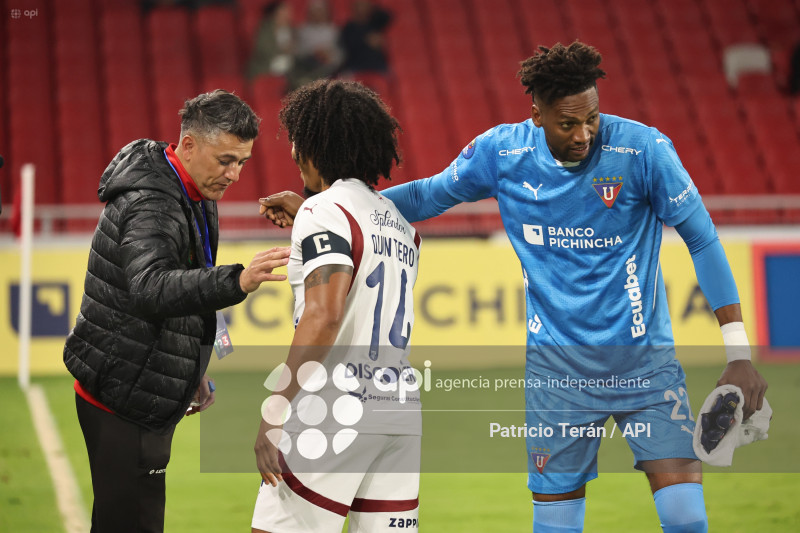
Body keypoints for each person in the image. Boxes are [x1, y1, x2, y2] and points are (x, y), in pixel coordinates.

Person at [260, 42, 769, 532]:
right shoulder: (502, 152)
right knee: (555, 526)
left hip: (646, 365)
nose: (584, 134)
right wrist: (331, 204)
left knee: (687, 518)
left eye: (591, 118)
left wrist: (738, 352)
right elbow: (427, 195)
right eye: (567, 123)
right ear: (537, 113)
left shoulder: (643, 150)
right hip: (557, 376)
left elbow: (702, 239)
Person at [63, 89, 291, 533]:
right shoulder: (153, 202)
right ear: (187, 145)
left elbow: (180, 284)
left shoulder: (188, 189)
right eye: (225, 160)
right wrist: (238, 280)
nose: (235, 174)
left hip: (140, 379)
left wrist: (190, 366)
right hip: (124, 392)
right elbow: (149, 287)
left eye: (242, 162)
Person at [252, 79, 421, 533]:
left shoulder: (324, 211)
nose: (290, 150)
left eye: (295, 139)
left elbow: (324, 316)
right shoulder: (402, 225)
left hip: (333, 407)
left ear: (312, 145)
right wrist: (311, 206)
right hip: (399, 408)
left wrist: (276, 408)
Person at [291, 0, 343, 88]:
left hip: (328, 67)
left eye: (320, 11)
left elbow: (340, 55)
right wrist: (314, 52)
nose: (318, 14)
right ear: (309, 13)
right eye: (314, 11)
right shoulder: (302, 30)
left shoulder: (334, 31)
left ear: (326, 13)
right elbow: (297, 52)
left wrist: (329, 55)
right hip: (308, 64)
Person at [338, 0, 392, 75]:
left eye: (365, 5)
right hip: (355, 67)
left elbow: (388, 15)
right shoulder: (348, 27)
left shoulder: (375, 22)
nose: (362, 8)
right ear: (354, 8)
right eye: (359, 5)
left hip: (377, 67)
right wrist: (367, 40)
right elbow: (348, 47)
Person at [246, 1, 295, 81]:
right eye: (284, 11)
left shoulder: (291, 29)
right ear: (275, 13)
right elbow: (262, 49)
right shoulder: (265, 28)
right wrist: (282, 50)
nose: (287, 14)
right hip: (266, 64)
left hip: (287, 64)